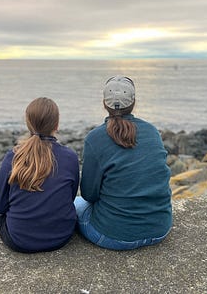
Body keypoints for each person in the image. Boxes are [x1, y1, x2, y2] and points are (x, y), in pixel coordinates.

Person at [74, 76, 172, 250]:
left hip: (113, 235)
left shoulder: (95, 138)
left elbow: (89, 194)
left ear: (104, 103)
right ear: (133, 102)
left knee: (76, 204)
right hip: (160, 228)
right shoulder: (152, 132)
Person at [0, 97, 79, 253]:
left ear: (28, 123)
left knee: (0, 219)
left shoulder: (13, 157)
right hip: (61, 237)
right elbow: (69, 198)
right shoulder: (70, 157)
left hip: (19, 241)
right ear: (57, 125)